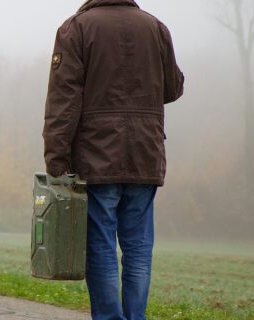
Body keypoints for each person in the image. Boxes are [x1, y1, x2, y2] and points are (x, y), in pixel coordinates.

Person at [42, 1, 184, 319]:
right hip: (145, 153)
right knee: (138, 247)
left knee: (101, 244)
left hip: (96, 156)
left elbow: (63, 100)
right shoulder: (156, 28)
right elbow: (173, 88)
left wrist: (56, 158)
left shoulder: (76, 28)